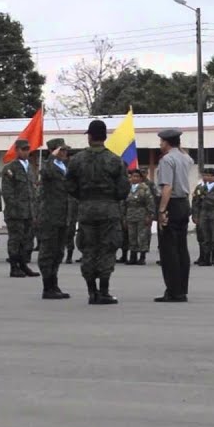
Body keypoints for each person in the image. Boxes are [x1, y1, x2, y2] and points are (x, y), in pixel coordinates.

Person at [65, 120, 130, 304]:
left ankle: (91, 291)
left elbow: (69, 184)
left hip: (86, 209)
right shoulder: (115, 160)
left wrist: (83, 196)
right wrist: (111, 197)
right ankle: (104, 291)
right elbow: (124, 189)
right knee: (107, 249)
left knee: (88, 249)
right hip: (109, 209)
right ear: (104, 136)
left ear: (90, 136)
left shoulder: (77, 160)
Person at [154, 130, 194, 302]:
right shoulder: (186, 158)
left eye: (161, 142)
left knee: (169, 250)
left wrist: (162, 210)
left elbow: (167, 187)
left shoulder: (167, 160)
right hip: (184, 203)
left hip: (172, 204)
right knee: (181, 248)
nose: (160, 145)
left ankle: (173, 291)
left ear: (167, 143)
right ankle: (182, 289)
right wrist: (178, 146)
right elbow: (186, 155)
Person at [38, 138, 74, 299]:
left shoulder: (64, 167)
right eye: (62, 150)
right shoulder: (49, 165)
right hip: (50, 215)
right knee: (48, 252)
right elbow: (45, 172)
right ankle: (47, 287)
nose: (65, 153)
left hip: (63, 214)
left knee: (58, 252)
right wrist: (51, 157)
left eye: (65, 150)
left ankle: (54, 284)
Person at [2, 139, 38, 278]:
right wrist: (14, 210)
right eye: (23, 149)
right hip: (16, 212)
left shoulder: (29, 168)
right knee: (15, 240)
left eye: (28, 149)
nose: (26, 152)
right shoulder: (10, 168)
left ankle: (23, 265)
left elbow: (32, 191)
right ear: (17, 150)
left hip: (28, 211)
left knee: (26, 240)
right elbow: (8, 193)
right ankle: (14, 267)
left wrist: (34, 212)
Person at [123, 169, 154, 265]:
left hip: (142, 215)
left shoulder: (144, 188)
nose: (135, 178)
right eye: (133, 176)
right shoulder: (127, 188)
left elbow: (150, 202)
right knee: (131, 236)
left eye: (137, 176)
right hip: (130, 215)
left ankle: (142, 257)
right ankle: (133, 257)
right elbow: (123, 204)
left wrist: (149, 215)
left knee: (142, 236)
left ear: (140, 178)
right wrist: (124, 217)